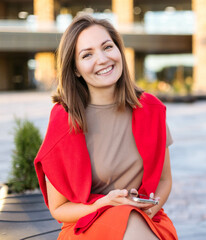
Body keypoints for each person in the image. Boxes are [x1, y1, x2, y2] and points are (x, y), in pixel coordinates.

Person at [34, 14, 178, 240]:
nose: (102, 59)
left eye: (107, 47)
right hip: (86, 224)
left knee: (131, 219)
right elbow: (59, 208)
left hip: (147, 218)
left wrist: (145, 209)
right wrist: (105, 204)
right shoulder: (64, 119)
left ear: (119, 50)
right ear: (75, 69)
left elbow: (164, 180)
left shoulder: (151, 109)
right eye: (87, 54)